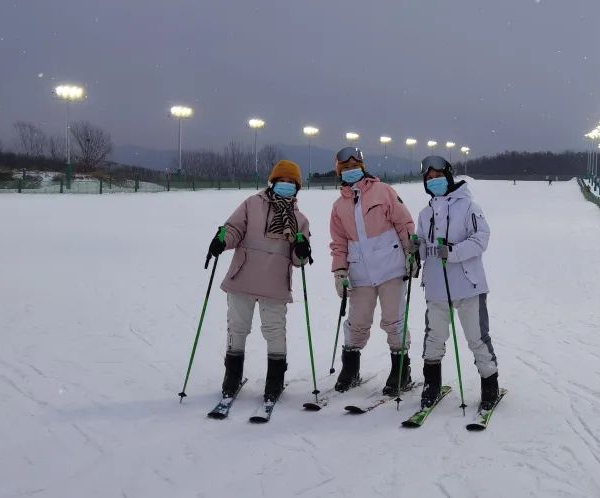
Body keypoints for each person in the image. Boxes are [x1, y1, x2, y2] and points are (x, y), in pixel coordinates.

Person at [207, 160, 312, 404]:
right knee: (237, 327)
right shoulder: (251, 204)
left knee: (275, 332)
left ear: (297, 188)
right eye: (281, 181)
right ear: (272, 182)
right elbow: (234, 229)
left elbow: (299, 260)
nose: (285, 186)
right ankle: (231, 377)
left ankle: (274, 380)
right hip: (243, 277)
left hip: (275, 284)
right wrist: (223, 240)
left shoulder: (300, 219)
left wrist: (302, 248)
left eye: (291, 183)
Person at [413, 155, 501, 411]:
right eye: (429, 178)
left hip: (468, 284)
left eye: (438, 177)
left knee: (476, 337)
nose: (434, 181)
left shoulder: (470, 207)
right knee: (434, 337)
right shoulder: (425, 213)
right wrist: (414, 249)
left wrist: (452, 252)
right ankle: (431, 383)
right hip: (436, 286)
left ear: (449, 177)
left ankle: (489, 382)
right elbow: (421, 242)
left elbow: (481, 239)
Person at [328, 147, 418, 396]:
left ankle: (401, 369)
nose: (350, 171)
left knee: (393, 320)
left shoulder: (384, 191)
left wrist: (411, 254)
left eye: (354, 166)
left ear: (363, 166)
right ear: (339, 171)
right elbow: (339, 244)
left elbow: (404, 223)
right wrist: (340, 272)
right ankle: (351, 368)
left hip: (391, 267)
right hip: (360, 273)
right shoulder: (339, 206)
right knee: (357, 321)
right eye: (345, 168)